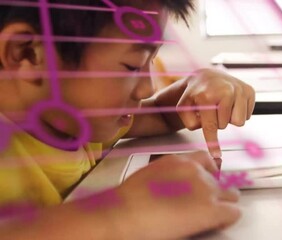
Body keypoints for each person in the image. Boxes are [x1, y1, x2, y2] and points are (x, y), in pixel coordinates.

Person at [0, 0, 255, 238]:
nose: (148, 89)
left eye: (150, 61)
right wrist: (116, 216)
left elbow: (163, 116)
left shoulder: (80, 122)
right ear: (28, 54)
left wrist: (199, 84)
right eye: (133, 65)